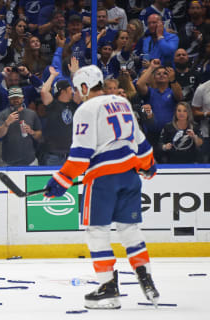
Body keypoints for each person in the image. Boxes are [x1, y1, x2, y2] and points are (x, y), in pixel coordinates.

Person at [44, 65, 159, 309]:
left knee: (97, 232)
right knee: (130, 229)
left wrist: (59, 182)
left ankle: (108, 287)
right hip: (130, 176)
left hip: (102, 179)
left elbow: (81, 156)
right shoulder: (122, 102)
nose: (77, 93)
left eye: (78, 89)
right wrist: (149, 165)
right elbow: (141, 143)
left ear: (85, 87)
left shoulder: (86, 109)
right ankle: (145, 275)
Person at [0, 86, 42, 166]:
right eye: (13, 98)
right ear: (9, 99)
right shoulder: (3, 114)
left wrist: (32, 132)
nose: (16, 100)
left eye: (18, 97)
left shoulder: (32, 113)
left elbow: (40, 137)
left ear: (23, 98)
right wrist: (6, 123)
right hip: (8, 162)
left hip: (30, 161)